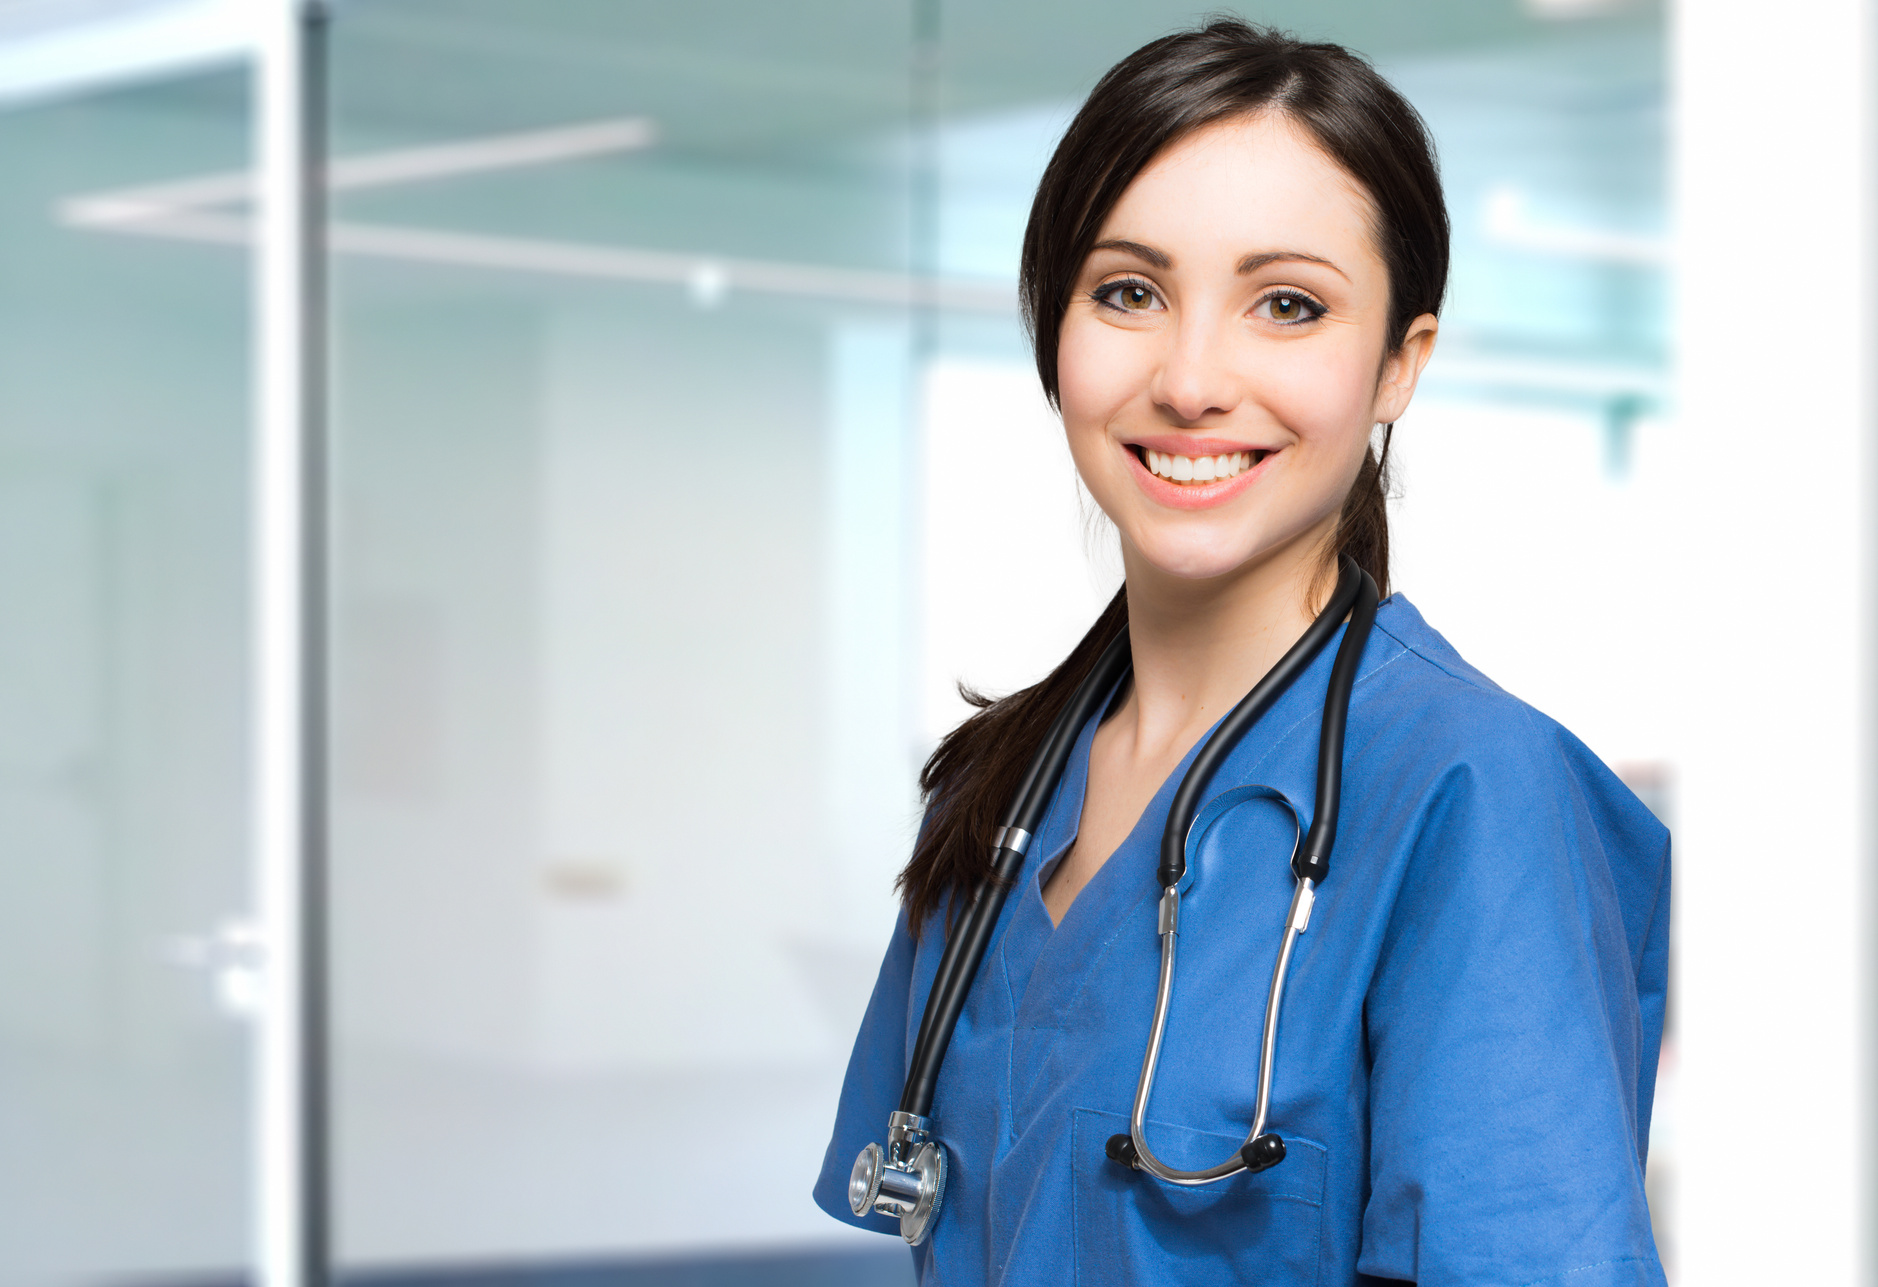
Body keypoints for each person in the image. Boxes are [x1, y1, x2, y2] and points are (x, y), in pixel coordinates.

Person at [815, 19, 1669, 1287]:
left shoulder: (1477, 795)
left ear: (1399, 366)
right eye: (1129, 293)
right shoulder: (995, 794)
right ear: (1055, 331)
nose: (1192, 377)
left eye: (1287, 304)